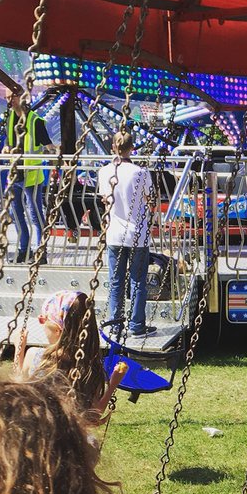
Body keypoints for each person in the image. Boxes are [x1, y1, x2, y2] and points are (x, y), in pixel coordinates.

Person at [14, 289, 127, 422]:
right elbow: (93, 416)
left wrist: (18, 350)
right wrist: (113, 383)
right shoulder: (90, 367)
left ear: (57, 329)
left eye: (43, 319)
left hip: (41, 437)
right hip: (71, 441)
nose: (42, 324)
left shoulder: (35, 356)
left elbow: (18, 388)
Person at [97, 129, 155, 338]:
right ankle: (136, 325)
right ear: (133, 148)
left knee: (116, 280)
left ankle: (116, 325)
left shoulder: (105, 172)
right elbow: (150, 200)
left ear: (114, 147)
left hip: (114, 232)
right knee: (138, 281)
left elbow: (105, 199)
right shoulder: (141, 173)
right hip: (137, 234)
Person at [3, 85, 54, 264]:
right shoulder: (10, 119)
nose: (9, 102)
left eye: (11, 97)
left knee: (35, 215)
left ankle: (41, 251)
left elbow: (49, 147)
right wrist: (7, 148)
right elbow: (7, 142)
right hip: (15, 174)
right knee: (16, 213)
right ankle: (24, 249)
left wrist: (53, 154)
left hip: (31, 176)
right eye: (7, 98)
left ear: (20, 98)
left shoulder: (35, 121)